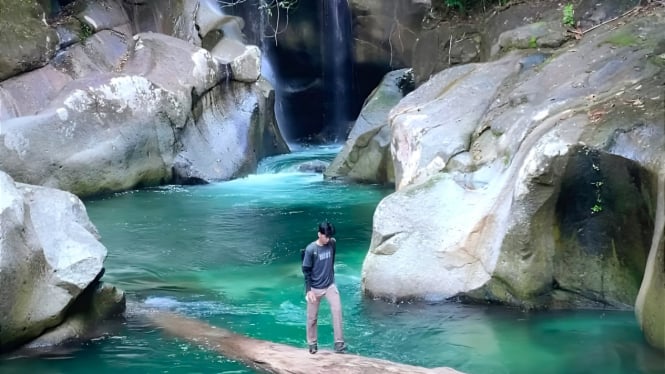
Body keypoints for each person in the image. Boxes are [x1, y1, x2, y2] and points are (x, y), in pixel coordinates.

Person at [301, 221, 346, 354]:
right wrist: (308, 290)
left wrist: (330, 278)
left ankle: (339, 343)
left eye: (329, 236)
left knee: (337, 311)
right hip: (314, 287)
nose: (327, 238)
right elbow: (306, 270)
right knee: (312, 318)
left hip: (329, 285)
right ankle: (312, 343)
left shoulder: (332, 243)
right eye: (325, 236)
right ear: (319, 234)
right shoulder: (311, 250)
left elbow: (331, 261)